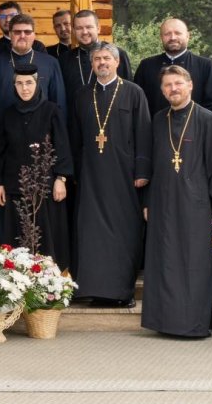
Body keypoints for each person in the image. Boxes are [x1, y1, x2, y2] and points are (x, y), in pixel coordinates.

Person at [140, 66, 212, 338]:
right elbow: (151, 165)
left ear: (190, 86)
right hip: (162, 201)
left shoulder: (207, 119)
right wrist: (147, 201)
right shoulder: (157, 119)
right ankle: (164, 321)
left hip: (196, 202)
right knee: (164, 259)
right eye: (167, 85)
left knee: (194, 262)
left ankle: (193, 324)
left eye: (178, 83)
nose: (173, 89)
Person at [69, 42, 151, 307]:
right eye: (96, 59)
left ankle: (121, 292)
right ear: (91, 65)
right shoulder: (82, 95)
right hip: (91, 175)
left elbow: (144, 134)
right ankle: (95, 290)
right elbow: (75, 138)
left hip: (124, 175)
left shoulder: (134, 93)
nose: (101, 63)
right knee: (91, 232)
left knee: (123, 231)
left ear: (117, 62)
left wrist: (142, 170)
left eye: (106, 58)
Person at [0, 65, 73, 266]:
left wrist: (61, 178)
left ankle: (51, 286)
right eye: (19, 83)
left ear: (37, 84)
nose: (24, 88)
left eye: (29, 83)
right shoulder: (8, 114)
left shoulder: (51, 111)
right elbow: (0, 153)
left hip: (45, 189)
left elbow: (61, 147)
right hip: (14, 188)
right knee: (16, 239)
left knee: (46, 238)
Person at [133, 18, 212, 113]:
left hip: (196, 126)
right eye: (167, 34)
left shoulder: (205, 66)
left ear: (187, 36)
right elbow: (137, 104)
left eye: (178, 33)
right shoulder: (146, 66)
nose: (173, 37)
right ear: (161, 37)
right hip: (156, 126)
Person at [0, 14, 67, 119]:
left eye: (27, 32)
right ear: (10, 34)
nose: (22, 36)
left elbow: (59, 102)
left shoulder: (50, 63)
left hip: (42, 130)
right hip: (5, 130)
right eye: (17, 32)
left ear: (34, 35)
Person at [59, 9, 133, 99]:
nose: (84, 32)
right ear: (74, 31)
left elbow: (129, 91)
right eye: (79, 28)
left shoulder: (117, 54)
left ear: (98, 28)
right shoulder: (64, 59)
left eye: (89, 27)